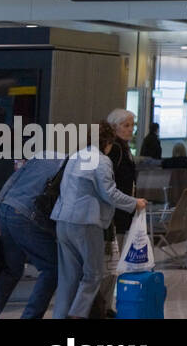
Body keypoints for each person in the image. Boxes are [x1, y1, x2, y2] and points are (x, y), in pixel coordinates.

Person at [51, 123, 145, 319]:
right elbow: (109, 193)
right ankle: (77, 316)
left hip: (62, 220)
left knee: (68, 277)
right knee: (93, 274)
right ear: (108, 142)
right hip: (86, 222)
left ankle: (60, 316)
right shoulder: (101, 161)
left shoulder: (75, 156)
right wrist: (134, 202)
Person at [0, 152, 64, 318]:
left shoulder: (42, 156)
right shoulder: (68, 166)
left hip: (6, 209)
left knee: (12, 269)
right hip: (26, 215)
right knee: (52, 268)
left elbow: (11, 182)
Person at [100, 108, 138, 316]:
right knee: (110, 264)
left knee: (114, 264)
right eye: (126, 125)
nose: (131, 129)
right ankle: (101, 307)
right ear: (114, 127)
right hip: (116, 216)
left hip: (124, 214)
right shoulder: (115, 150)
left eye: (132, 125)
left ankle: (105, 305)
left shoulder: (124, 149)